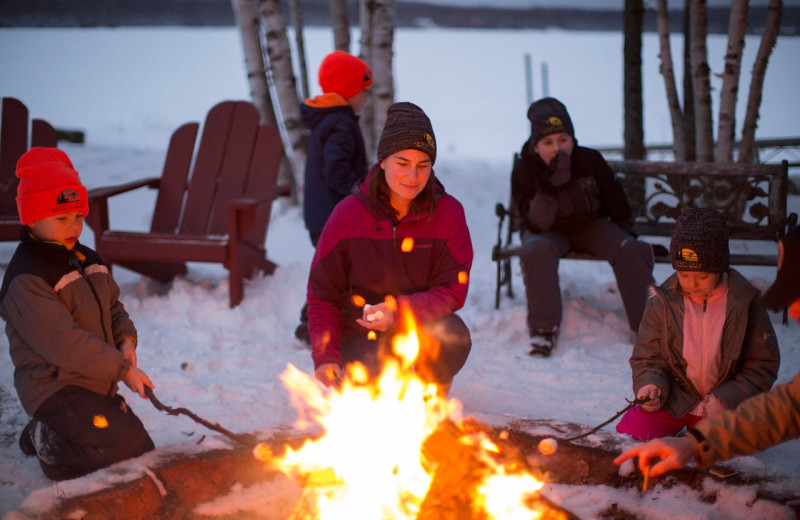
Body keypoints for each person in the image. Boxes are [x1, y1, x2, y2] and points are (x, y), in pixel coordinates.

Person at [1, 148, 155, 481]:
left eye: (78, 216)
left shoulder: (88, 259)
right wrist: (121, 369)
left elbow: (114, 306)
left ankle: (80, 427)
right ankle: (46, 439)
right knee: (116, 446)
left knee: (140, 447)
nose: (73, 227)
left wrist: (126, 340)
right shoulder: (26, 279)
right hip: (55, 388)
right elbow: (64, 345)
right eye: (61, 218)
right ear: (31, 218)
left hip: (94, 384)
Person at [306, 102, 473, 391]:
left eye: (423, 165)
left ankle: (429, 391)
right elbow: (323, 294)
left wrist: (399, 312)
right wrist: (326, 356)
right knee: (370, 384)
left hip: (419, 329)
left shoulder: (449, 214)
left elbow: (452, 290)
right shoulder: (348, 214)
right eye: (402, 163)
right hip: (361, 334)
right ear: (383, 161)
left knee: (453, 336)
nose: (412, 177)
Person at [614, 224, 800, 478]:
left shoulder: (743, 302)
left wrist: (727, 398)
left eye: (701, 276)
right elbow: (648, 355)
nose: (692, 284)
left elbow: (762, 365)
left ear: (719, 268)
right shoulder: (663, 301)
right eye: (684, 275)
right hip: (677, 397)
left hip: (721, 405)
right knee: (632, 432)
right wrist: (651, 385)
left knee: (724, 455)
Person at [511, 97, 654, 356]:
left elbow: (614, 199)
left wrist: (626, 231)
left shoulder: (589, 160)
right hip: (546, 231)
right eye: (548, 143)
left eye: (563, 140)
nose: (557, 148)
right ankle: (543, 330)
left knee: (631, 250)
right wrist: (548, 187)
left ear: (573, 139)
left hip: (588, 226)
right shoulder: (526, 168)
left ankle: (652, 328)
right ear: (535, 146)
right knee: (535, 252)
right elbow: (534, 223)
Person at [294, 50, 373, 344]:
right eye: (361, 91)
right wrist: (362, 193)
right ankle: (312, 325)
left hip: (322, 216)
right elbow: (336, 169)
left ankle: (310, 322)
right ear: (347, 91)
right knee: (338, 275)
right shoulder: (340, 124)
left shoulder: (328, 120)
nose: (365, 98)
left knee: (334, 272)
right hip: (332, 218)